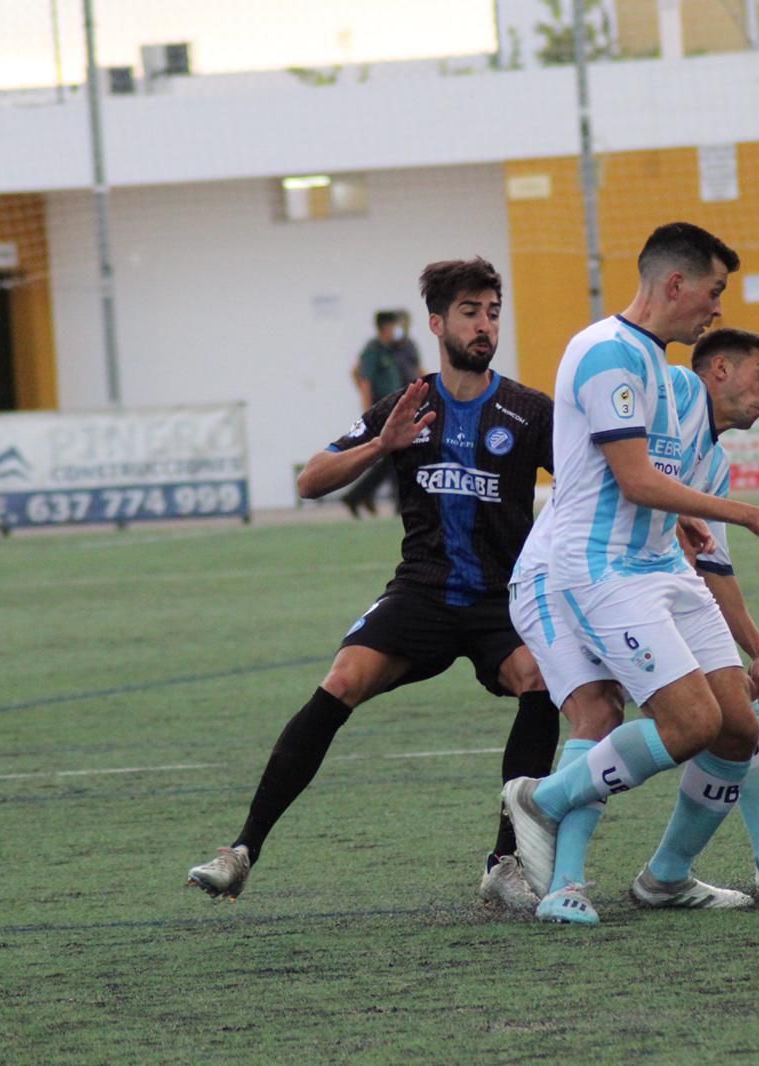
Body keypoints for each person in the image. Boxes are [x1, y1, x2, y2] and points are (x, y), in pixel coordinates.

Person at [187, 258, 558, 908]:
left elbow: (593, 479)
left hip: (501, 600)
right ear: (437, 323)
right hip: (420, 592)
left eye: (494, 311)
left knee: (542, 680)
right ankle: (242, 851)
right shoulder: (407, 405)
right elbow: (311, 480)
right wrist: (382, 445)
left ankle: (503, 861)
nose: (485, 324)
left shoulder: (528, 412)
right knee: (341, 682)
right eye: (471, 312)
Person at [499, 222, 759, 918]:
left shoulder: (655, 367)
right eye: (714, 291)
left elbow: (647, 484)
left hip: (654, 567)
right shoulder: (610, 355)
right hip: (590, 570)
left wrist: (686, 523)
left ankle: (669, 876)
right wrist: (748, 513)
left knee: (736, 724)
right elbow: (636, 479)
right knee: (654, 718)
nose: (716, 309)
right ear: (675, 284)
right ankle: (549, 825)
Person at [341, 310, 423, 518]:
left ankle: (358, 495)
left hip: (405, 408)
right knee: (395, 455)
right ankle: (381, 499)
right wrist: (368, 411)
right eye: (396, 326)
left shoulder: (402, 347)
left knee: (392, 458)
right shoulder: (374, 349)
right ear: (385, 328)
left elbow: (418, 371)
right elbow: (362, 377)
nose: (400, 330)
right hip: (385, 410)